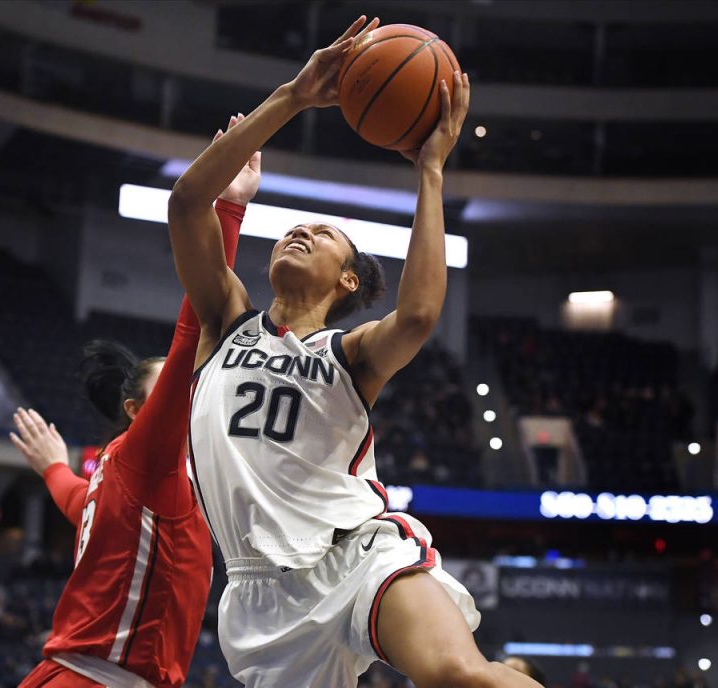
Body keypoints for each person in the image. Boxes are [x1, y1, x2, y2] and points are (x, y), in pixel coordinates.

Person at [168, 16, 541, 688]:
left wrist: (431, 170)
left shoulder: (350, 354)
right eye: (294, 228)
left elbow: (419, 315)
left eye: (322, 234)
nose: (301, 232)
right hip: (260, 595)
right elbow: (189, 202)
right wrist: (292, 97)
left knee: (459, 674)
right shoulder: (225, 322)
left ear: (347, 280)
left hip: (356, 551)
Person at [10, 118, 260, 688]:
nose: (187, 386)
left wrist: (53, 467)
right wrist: (230, 209)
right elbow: (195, 329)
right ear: (134, 410)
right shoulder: (150, 456)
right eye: (172, 383)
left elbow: (78, 502)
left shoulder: (121, 474)